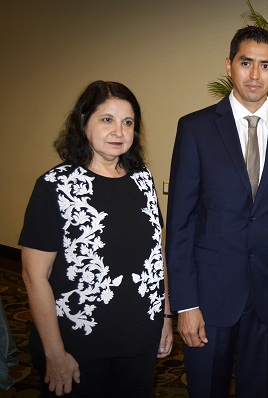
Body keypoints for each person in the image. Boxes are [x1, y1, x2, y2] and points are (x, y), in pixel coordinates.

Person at [166, 26, 268, 397]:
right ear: (229, 66)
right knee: (206, 388)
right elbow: (180, 223)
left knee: (257, 389)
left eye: (265, 65)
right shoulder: (195, 128)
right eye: (246, 63)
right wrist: (185, 303)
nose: (255, 75)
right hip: (209, 296)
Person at [19, 80, 173, 397]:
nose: (119, 131)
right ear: (83, 122)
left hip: (138, 341)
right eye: (107, 119)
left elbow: (157, 257)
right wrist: (54, 354)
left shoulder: (142, 179)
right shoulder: (55, 185)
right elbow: (35, 277)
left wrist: (165, 319)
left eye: (128, 122)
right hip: (78, 346)